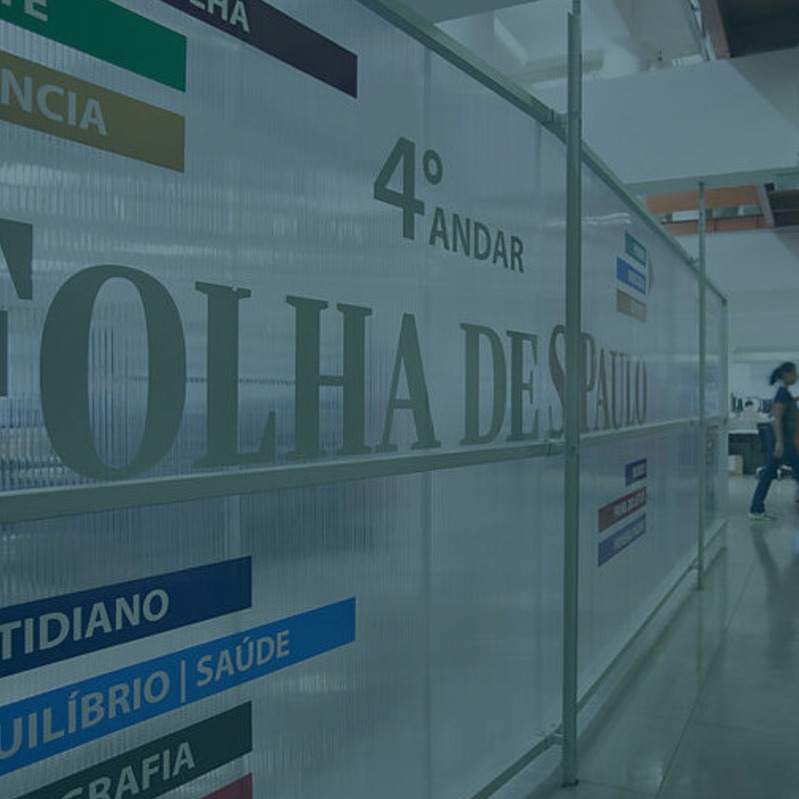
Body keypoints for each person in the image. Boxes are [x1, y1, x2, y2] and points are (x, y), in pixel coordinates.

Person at [749, 362, 799, 521]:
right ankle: (755, 509)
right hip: (782, 440)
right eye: (794, 373)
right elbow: (776, 418)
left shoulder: (784, 393)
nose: (797, 376)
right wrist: (779, 442)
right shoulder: (782, 393)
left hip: (783, 439)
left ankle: (756, 509)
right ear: (787, 374)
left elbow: (774, 414)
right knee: (789, 470)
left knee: (769, 474)